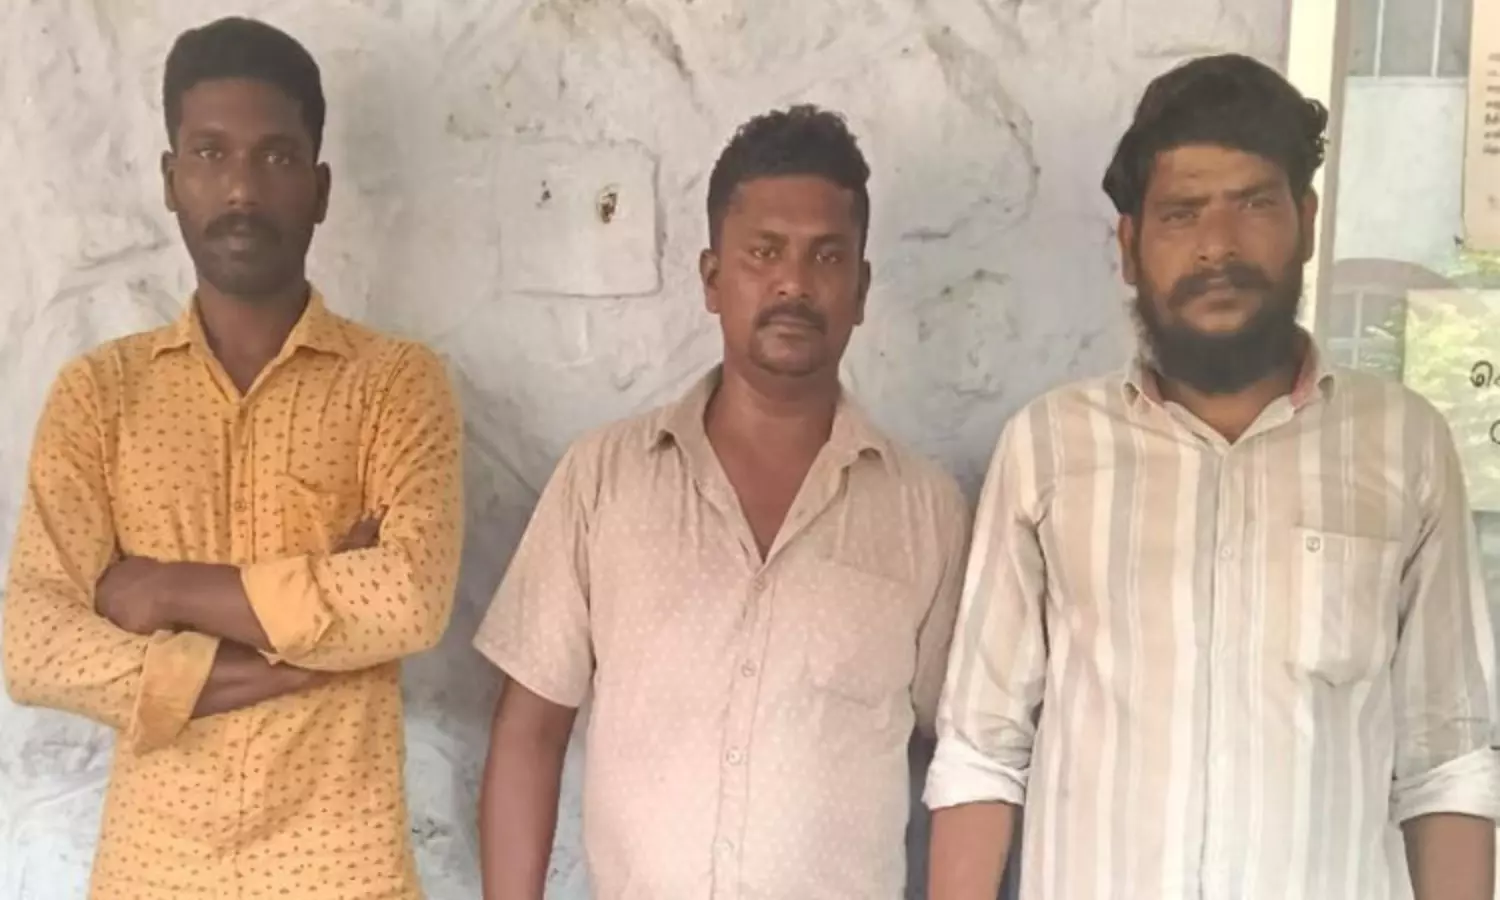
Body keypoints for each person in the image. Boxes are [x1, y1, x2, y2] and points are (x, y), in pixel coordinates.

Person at [926, 53, 1500, 900]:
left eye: (1255, 204)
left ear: (1307, 221)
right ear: (1130, 248)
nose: (1218, 246)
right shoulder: (1048, 450)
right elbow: (982, 752)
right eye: (1182, 213)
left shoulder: (1404, 448)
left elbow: (1446, 763)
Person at [1, 17, 463, 900]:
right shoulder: (100, 395)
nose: (243, 188)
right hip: (153, 876)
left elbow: (407, 597)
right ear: (171, 181)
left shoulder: (395, 384)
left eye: (277, 157)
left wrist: (165, 588)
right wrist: (304, 651)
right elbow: (36, 644)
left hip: (344, 876)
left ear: (320, 189)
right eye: (210, 154)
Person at [473, 104, 970, 899]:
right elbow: (529, 730)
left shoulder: (925, 512)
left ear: (861, 288)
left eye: (827, 256)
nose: (793, 283)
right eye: (764, 252)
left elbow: (967, 755)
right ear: (712, 279)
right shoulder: (604, 480)